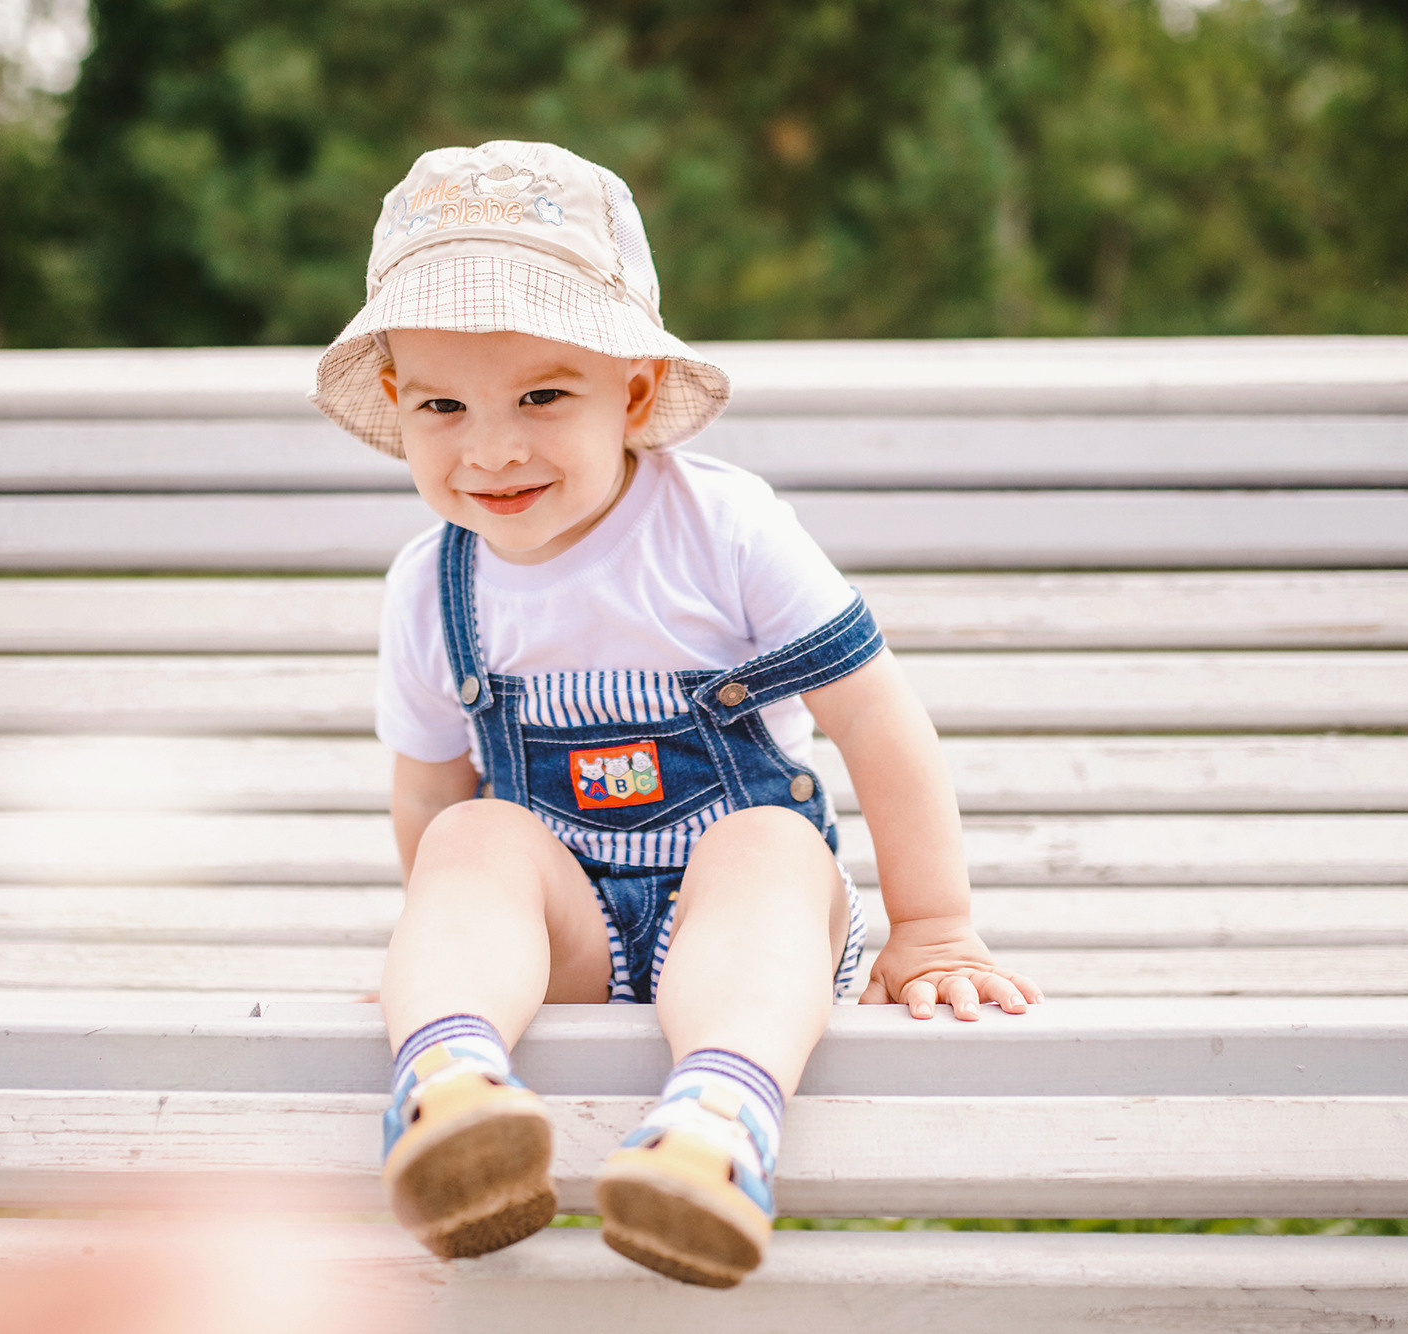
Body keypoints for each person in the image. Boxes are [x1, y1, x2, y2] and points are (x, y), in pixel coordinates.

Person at [311, 141, 1042, 1289]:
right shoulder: (432, 583)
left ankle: (713, 1126)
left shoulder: (724, 531)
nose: (491, 446)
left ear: (635, 391)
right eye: (443, 404)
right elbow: (428, 795)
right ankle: (452, 1084)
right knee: (468, 840)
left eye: (542, 395)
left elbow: (875, 719)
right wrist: (445, 943)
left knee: (768, 843)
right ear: (397, 400)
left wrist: (932, 927)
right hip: (570, 937)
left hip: (747, 919)